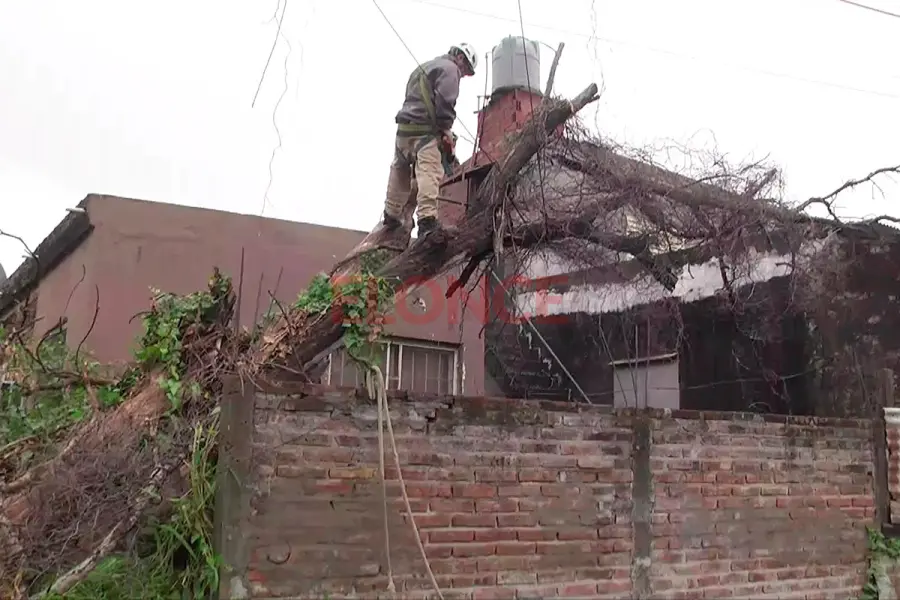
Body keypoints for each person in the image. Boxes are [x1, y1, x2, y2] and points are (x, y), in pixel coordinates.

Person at [381, 43, 478, 238]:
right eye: (465, 70)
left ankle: (391, 214)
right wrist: (445, 129)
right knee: (430, 171)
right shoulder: (450, 69)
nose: (463, 75)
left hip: (404, 131)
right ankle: (427, 221)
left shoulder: (424, 67)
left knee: (400, 169)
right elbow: (445, 103)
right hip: (423, 132)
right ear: (460, 57)